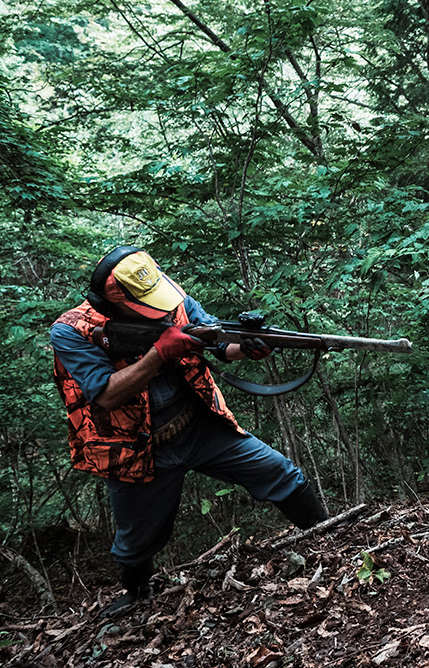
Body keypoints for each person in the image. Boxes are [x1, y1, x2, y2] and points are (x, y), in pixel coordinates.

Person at [49, 245, 328, 616]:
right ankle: (136, 595)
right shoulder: (71, 332)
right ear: (113, 302)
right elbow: (106, 395)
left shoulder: (169, 297)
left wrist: (246, 347)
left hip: (199, 426)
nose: (161, 308)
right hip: (136, 449)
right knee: (134, 542)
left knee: (278, 472)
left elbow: (217, 343)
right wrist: (159, 353)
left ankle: (330, 536)